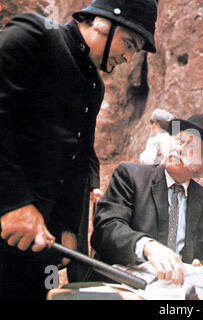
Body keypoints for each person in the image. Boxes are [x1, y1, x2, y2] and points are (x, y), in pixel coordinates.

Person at [0, 0, 157, 299]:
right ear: (101, 23)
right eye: (129, 43)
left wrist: (70, 233)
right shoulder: (36, 35)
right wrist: (12, 203)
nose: (127, 56)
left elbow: (77, 162)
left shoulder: (93, 86)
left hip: (37, 243)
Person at [91, 114, 203, 285]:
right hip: (124, 285)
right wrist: (147, 246)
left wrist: (201, 268)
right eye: (178, 140)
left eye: (190, 146)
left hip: (174, 293)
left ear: (202, 164)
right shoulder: (130, 176)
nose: (180, 148)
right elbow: (106, 229)